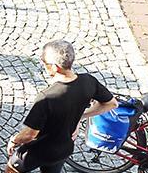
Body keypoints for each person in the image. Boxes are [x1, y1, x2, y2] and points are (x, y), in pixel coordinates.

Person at [6, 40, 119, 173]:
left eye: (44, 62)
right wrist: (80, 116)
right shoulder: (88, 81)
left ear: (55, 67)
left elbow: (30, 135)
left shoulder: (46, 98)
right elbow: (112, 103)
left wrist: (14, 141)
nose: (42, 64)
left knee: (10, 170)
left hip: (38, 151)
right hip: (64, 150)